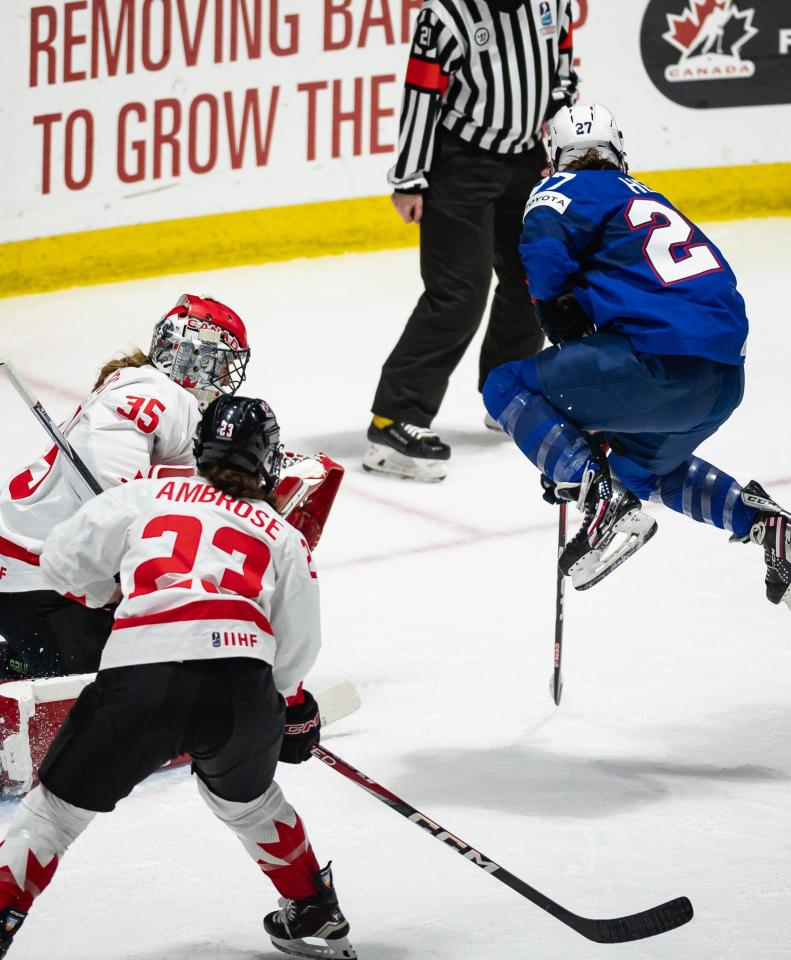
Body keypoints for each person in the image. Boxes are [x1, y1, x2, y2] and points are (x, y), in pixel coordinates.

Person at [0, 396, 355, 960]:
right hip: (240, 688)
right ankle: (313, 908)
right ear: (265, 457)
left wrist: (107, 594)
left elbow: (61, 559)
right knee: (252, 804)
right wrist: (289, 703)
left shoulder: (149, 492)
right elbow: (298, 643)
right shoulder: (281, 533)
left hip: (144, 674)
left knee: (54, 814)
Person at [482, 103, 791, 610]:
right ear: (617, 151)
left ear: (556, 155)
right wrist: (578, 442)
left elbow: (543, 256)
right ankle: (770, 526)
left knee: (504, 385)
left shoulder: (559, 189)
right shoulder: (648, 198)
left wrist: (567, 453)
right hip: (722, 380)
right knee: (637, 471)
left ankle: (601, 501)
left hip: (656, 364)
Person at [364, 0, 579, 482]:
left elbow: (561, 75)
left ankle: (509, 393)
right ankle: (393, 418)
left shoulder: (553, 3)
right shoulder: (446, 14)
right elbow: (422, 93)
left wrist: (559, 149)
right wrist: (409, 178)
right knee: (459, 292)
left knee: (536, 274)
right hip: (459, 161)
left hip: (525, 158)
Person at [0, 294, 251, 680]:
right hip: (34, 573)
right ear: (194, 357)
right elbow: (107, 485)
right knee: (112, 688)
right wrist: (119, 576)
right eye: (221, 364)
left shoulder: (161, 395)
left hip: (48, 567)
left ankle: (22, 663)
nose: (224, 379)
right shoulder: (156, 394)